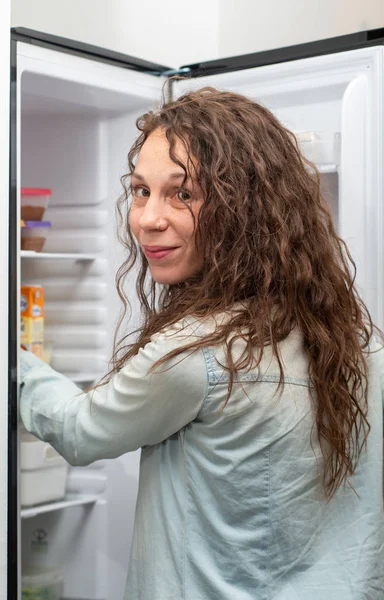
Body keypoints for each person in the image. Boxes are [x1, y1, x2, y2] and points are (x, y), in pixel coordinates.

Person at [20, 87, 384, 600]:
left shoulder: (198, 351)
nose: (148, 218)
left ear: (247, 207)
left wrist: (15, 365)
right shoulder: (356, 342)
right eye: (141, 190)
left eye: (183, 193)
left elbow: (81, 430)